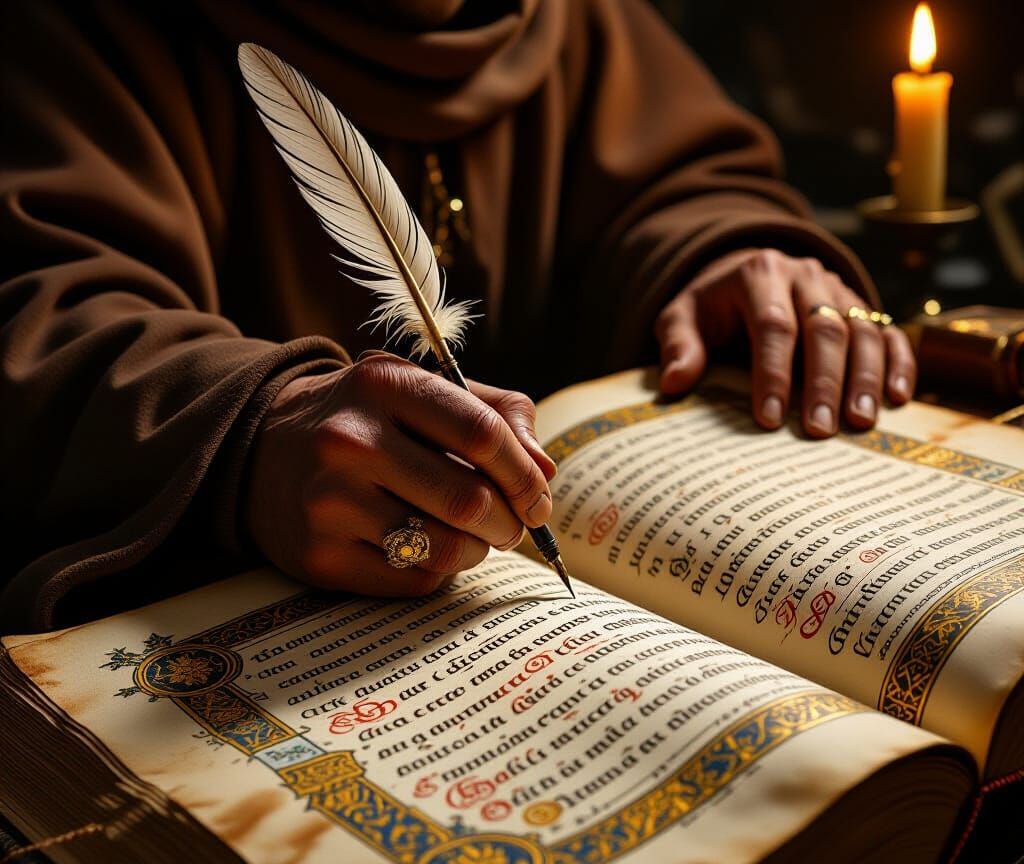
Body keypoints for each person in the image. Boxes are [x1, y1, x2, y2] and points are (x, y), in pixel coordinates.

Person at [0, 0, 916, 633]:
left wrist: (723, 251)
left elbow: (680, 181)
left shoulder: (572, 19)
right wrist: (248, 432)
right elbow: (40, 311)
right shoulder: (73, 37)